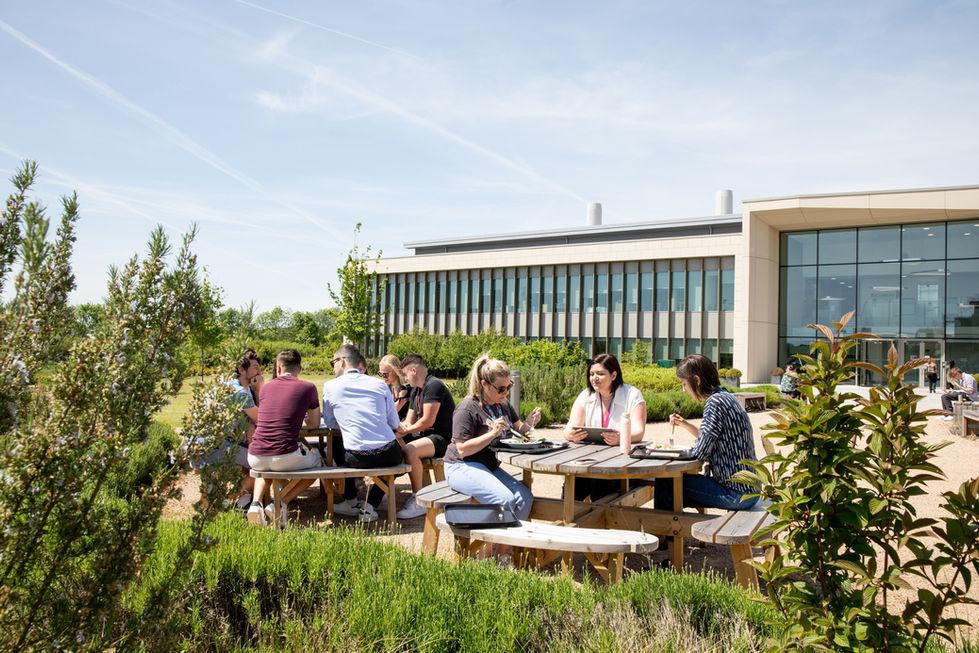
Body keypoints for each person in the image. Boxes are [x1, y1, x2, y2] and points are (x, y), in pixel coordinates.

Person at [655, 354, 757, 514]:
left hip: (736, 494)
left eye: (684, 384)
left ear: (697, 380)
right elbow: (713, 438)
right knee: (678, 487)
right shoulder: (726, 397)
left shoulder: (714, 403)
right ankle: (671, 530)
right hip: (750, 488)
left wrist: (670, 454)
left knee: (666, 483)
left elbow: (700, 452)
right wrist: (685, 424)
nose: (684, 390)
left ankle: (666, 535)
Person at [444, 355, 538, 524]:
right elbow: (462, 449)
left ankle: (501, 548)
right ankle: (487, 549)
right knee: (505, 500)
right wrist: (492, 434)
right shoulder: (467, 408)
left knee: (525, 499)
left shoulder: (503, 404)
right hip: (460, 465)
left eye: (509, 386)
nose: (506, 392)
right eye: (501, 389)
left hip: (487, 465)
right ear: (484, 384)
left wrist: (529, 422)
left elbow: (519, 430)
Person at [323, 344, 406, 523]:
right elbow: (394, 422)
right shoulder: (378, 384)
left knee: (336, 443)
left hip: (356, 457)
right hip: (389, 453)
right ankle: (370, 505)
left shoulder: (330, 386)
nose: (333, 367)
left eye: (333, 362)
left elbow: (331, 423)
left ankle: (351, 499)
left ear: (342, 361)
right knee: (400, 459)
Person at [246, 349, 322, 526]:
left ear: (278, 368)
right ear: (300, 369)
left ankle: (256, 504)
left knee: (267, 467)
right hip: (284, 454)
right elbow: (315, 423)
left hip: (255, 455)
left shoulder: (265, 388)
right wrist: (296, 423)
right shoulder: (308, 387)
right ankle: (280, 502)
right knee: (317, 465)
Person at [563, 353, 646, 501]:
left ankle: (597, 521)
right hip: (590, 460)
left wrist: (621, 438)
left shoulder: (633, 395)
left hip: (622, 462)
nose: (594, 378)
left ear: (614, 375)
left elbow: (639, 432)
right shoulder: (585, 395)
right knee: (572, 481)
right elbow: (568, 429)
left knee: (599, 483)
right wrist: (571, 435)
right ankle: (568, 519)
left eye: (600, 374)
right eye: (592, 374)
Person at [189, 349, 264, 510]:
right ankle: (225, 500)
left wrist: (249, 424)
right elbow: (262, 418)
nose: (260, 371)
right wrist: (258, 390)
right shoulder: (240, 393)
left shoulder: (226, 386)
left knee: (250, 451)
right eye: (256, 367)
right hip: (213, 449)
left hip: (201, 447)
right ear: (241, 369)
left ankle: (234, 500)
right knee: (262, 465)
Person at [397, 354, 456, 519]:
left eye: (406, 375)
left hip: (444, 438)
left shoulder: (433, 385)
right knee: (395, 441)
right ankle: (380, 493)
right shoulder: (416, 389)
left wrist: (405, 431)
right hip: (427, 436)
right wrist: (400, 429)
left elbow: (427, 421)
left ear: (414, 370)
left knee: (410, 450)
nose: (405, 379)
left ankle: (419, 499)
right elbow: (410, 420)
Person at [378, 354, 411, 420]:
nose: (383, 377)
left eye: (385, 374)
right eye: (381, 374)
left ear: (396, 371)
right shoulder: (389, 387)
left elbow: (390, 413)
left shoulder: (406, 388)